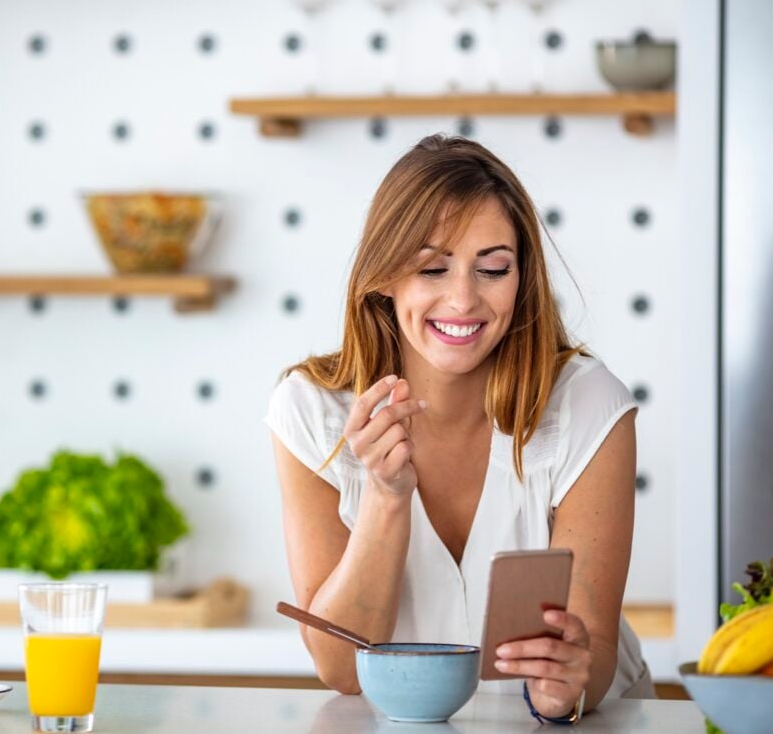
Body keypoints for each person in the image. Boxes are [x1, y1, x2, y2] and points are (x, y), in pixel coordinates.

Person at [264, 134, 654, 721]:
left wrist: (565, 687)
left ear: (521, 277)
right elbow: (342, 669)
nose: (464, 298)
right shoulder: (311, 413)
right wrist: (387, 499)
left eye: (493, 268)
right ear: (384, 277)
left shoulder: (588, 405)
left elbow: (592, 649)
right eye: (433, 268)